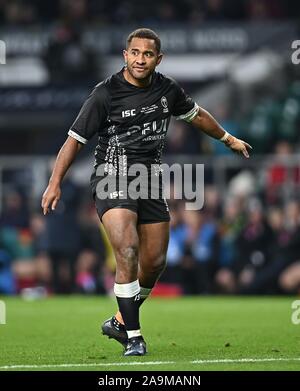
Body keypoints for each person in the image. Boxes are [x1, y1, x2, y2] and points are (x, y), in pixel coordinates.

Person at [41, 28, 252, 356]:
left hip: (149, 180)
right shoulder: (105, 93)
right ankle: (134, 336)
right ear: (125, 55)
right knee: (127, 249)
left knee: (153, 262)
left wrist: (227, 139)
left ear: (158, 58)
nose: (140, 59)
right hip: (112, 176)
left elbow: (197, 117)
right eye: (135, 53)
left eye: (148, 54)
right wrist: (55, 182)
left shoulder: (168, 90)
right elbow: (74, 141)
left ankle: (119, 320)